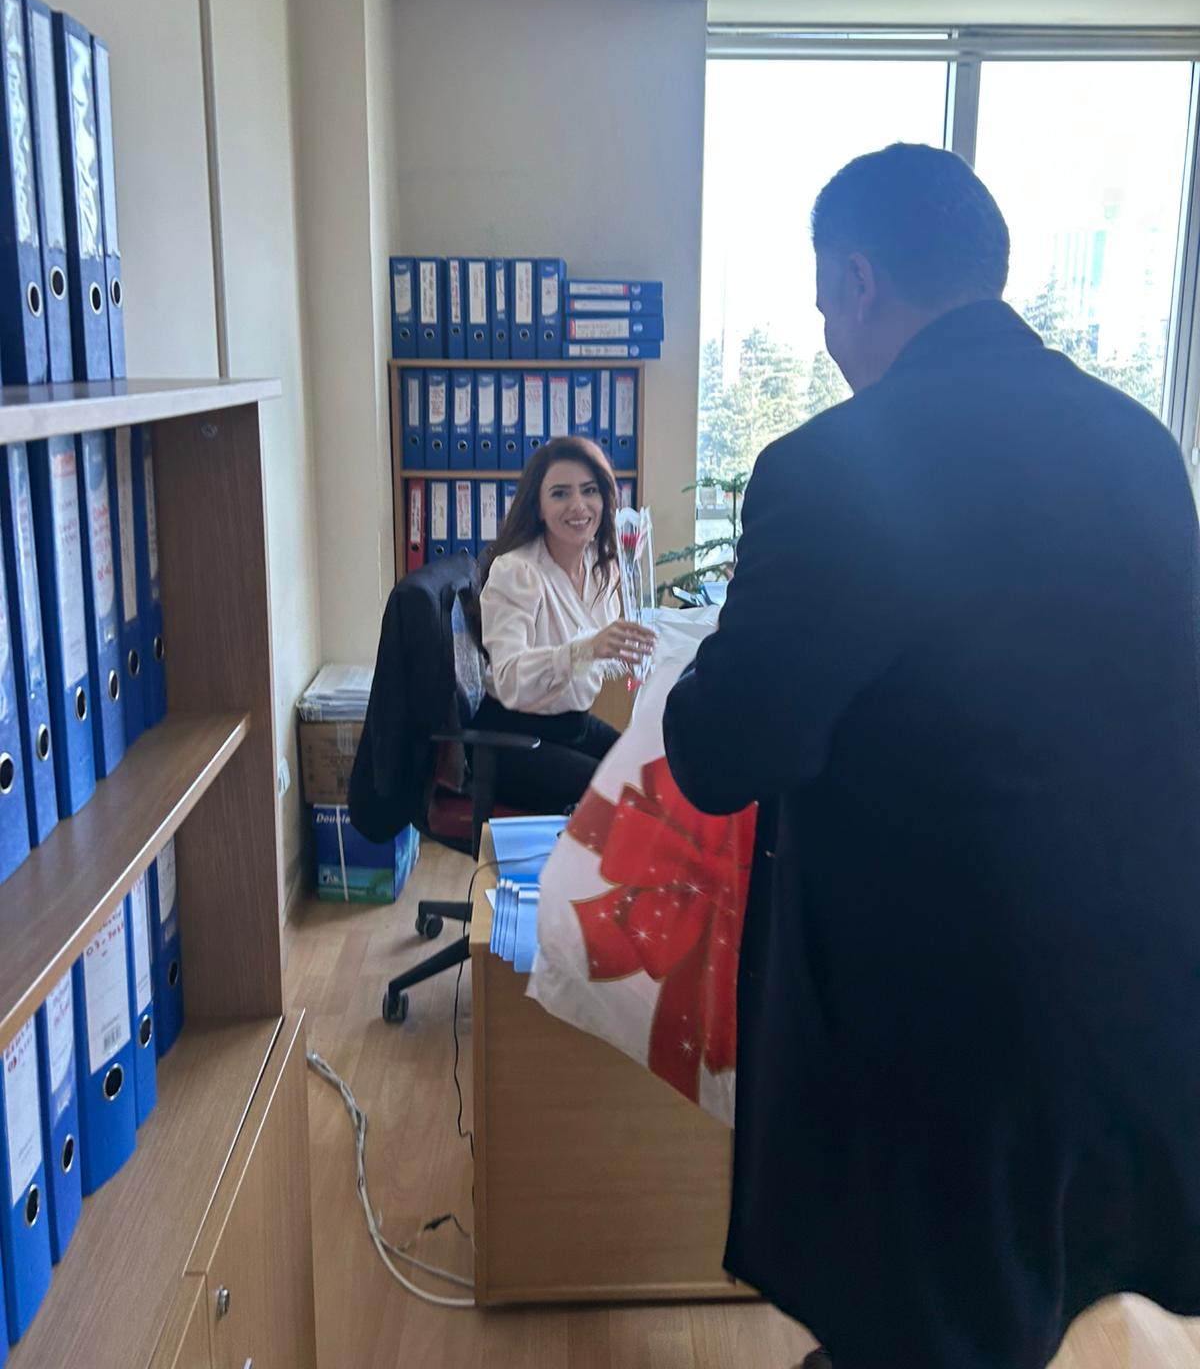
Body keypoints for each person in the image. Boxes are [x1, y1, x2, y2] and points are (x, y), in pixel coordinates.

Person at [663, 143, 1200, 1369]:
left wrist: (690, 672)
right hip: (1136, 973)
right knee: (1038, 1274)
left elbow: (726, 750)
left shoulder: (835, 467)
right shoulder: (1140, 446)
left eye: (822, 301)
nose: (827, 335)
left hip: (946, 998)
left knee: (932, 1303)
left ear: (857, 279)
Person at [474, 435, 654, 813]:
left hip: (573, 726)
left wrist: (639, 648)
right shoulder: (516, 572)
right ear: (538, 507)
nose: (578, 505)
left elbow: (600, 656)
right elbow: (509, 678)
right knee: (624, 801)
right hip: (512, 739)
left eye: (589, 490)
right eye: (560, 493)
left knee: (651, 777)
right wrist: (587, 649)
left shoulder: (602, 566)